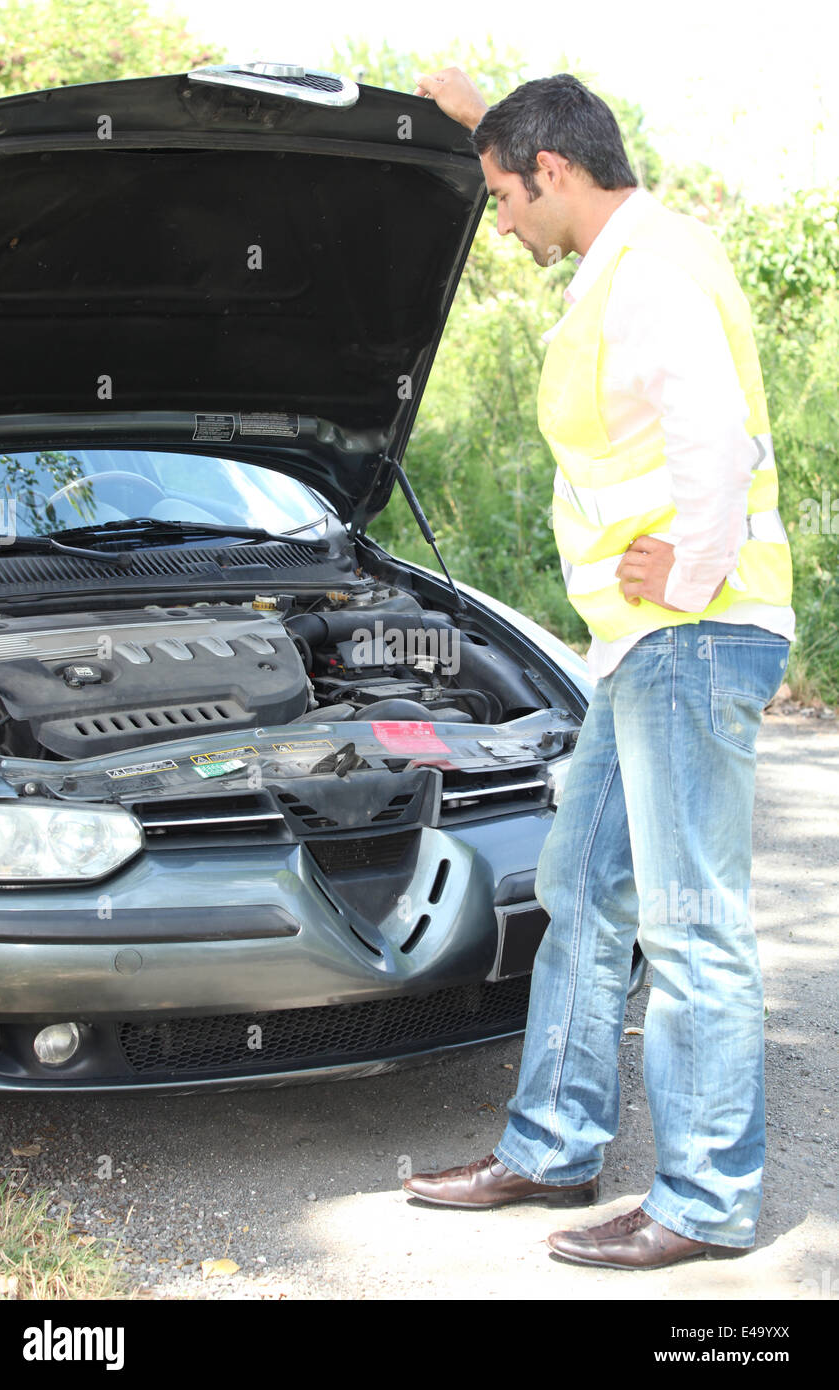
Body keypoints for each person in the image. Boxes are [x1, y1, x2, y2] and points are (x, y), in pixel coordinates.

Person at [402, 67, 794, 1270]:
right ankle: (554, 1142)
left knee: (686, 926)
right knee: (583, 891)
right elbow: (533, 147)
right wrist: (481, 124)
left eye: (503, 197)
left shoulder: (650, 270)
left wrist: (684, 574)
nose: (501, 221)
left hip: (690, 634)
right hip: (643, 652)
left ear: (554, 175)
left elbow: (714, 435)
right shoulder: (625, 254)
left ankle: (704, 1199)